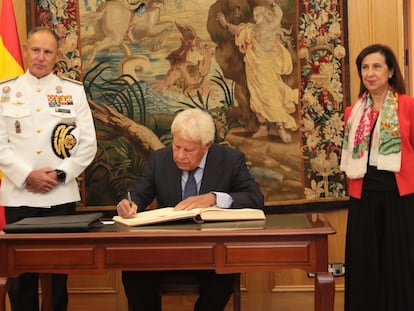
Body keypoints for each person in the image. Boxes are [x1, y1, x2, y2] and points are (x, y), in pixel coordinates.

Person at [117, 108, 264, 311]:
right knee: (133, 272)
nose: (179, 155)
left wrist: (214, 198)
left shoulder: (230, 160)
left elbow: (255, 198)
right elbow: (139, 194)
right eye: (176, 146)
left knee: (224, 274)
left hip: (211, 251)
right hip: (165, 250)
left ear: (206, 146)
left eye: (188, 150)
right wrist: (127, 204)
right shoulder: (160, 159)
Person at [0, 27, 97, 311]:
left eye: (48, 52)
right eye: (35, 50)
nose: (40, 57)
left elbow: (88, 144)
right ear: (25, 49)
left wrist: (61, 174)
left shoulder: (72, 92)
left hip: (60, 196)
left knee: (57, 276)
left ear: (57, 56)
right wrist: (26, 175)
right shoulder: (5, 92)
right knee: (21, 278)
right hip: (20, 196)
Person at [340, 44, 414, 311]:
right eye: (365, 68)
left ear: (391, 70)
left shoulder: (408, 106)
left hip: (401, 196)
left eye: (377, 66)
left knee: (399, 262)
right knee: (365, 261)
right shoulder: (352, 112)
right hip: (363, 194)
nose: (370, 73)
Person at [216, 1, 298, 142]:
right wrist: (225, 23)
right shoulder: (251, 29)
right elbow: (237, 30)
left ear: (265, 16)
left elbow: (278, 15)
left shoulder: (271, 27)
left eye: (258, 15)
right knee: (256, 98)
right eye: (254, 15)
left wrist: (273, 3)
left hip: (267, 69)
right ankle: (263, 127)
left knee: (271, 98)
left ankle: (280, 129)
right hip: (253, 68)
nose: (255, 17)